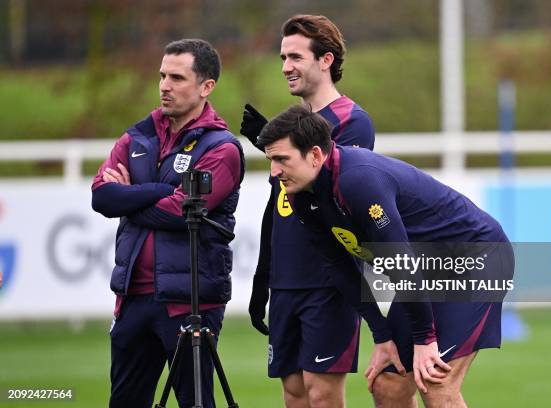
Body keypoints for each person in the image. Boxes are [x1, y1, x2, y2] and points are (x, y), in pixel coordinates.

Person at [257, 105, 514, 408]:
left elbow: (400, 263)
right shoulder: (303, 197)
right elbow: (340, 267)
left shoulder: (358, 181)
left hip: (475, 256)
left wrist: (425, 339)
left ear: (315, 155)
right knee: (388, 384)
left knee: (434, 381)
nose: (274, 172)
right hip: (423, 270)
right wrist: (382, 336)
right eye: (270, 160)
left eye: (281, 159)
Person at [240, 14, 401, 407]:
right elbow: (277, 205)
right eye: (282, 57)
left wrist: (273, 146)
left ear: (326, 60)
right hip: (286, 278)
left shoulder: (352, 121)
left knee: (322, 393)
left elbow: (333, 197)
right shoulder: (291, 127)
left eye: (295, 56)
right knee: (294, 393)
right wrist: (264, 276)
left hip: (328, 279)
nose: (285, 67)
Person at [91, 39, 244, 408]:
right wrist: (159, 190)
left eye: (177, 77)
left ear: (206, 87)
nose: (164, 85)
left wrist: (131, 197)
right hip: (132, 299)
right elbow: (101, 197)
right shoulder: (137, 135)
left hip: (188, 302)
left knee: (195, 403)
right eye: (162, 75)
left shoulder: (221, 147)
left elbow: (181, 213)